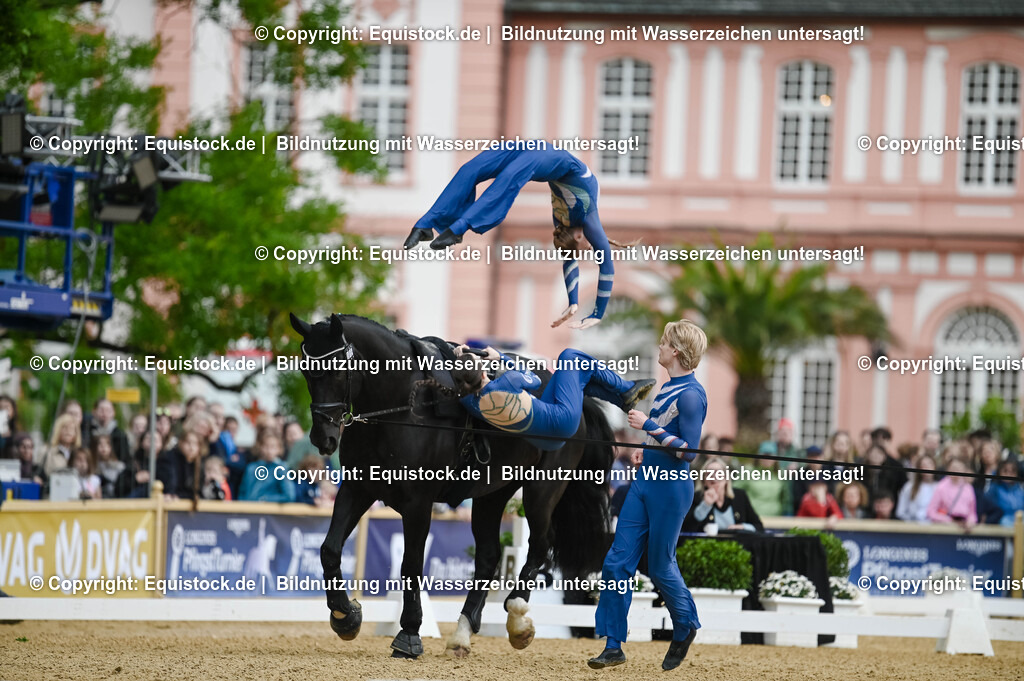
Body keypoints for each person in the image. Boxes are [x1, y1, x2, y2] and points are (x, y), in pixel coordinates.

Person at [589, 320, 707, 671]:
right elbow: (664, 436)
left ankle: (685, 624)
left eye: (665, 342)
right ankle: (613, 645)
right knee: (616, 562)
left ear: (677, 351)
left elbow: (689, 452)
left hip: (671, 487)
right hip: (645, 481)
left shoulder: (691, 394)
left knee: (660, 566)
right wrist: (646, 446)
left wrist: (649, 427)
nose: (660, 346)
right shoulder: (668, 387)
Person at [405, 147, 634, 329]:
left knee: (471, 169)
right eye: (588, 248)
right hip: (542, 156)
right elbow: (606, 265)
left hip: (533, 150)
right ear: (580, 235)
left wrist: (573, 302)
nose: (591, 246)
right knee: (503, 178)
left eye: (586, 249)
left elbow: (569, 259)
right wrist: (597, 314)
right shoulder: (589, 219)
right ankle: (456, 227)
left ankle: (425, 224)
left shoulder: (562, 221)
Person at [452, 347, 654, 450]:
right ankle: (626, 388)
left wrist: (460, 361)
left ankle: (622, 400)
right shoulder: (508, 381)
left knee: (575, 380)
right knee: (570, 356)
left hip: (544, 442)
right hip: (562, 423)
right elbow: (535, 380)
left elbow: (464, 384)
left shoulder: (470, 403)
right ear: (483, 372)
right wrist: (500, 357)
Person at [682, 457, 763, 533]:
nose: (714, 476)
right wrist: (705, 505)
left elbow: (759, 527)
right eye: (709, 473)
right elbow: (686, 529)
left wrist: (742, 527)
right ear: (704, 481)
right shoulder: (696, 498)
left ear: (726, 478)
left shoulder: (740, 496)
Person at [734, 441, 791, 517]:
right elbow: (735, 491)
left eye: (770, 455)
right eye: (764, 455)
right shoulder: (747, 471)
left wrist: (787, 513)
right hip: (752, 517)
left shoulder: (781, 474)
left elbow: (786, 498)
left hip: (775, 518)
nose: (767, 459)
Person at [239, 431, 295, 503]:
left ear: (279, 449)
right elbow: (242, 492)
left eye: (273, 447)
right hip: (247, 508)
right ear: (260, 447)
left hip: (267, 508)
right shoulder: (251, 468)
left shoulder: (281, 469)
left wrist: (265, 499)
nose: (269, 451)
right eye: (266, 446)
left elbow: (289, 496)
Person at [927, 458, 977, 530]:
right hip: (946, 528)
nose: (956, 471)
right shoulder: (941, 487)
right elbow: (931, 512)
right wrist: (947, 520)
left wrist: (970, 522)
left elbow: (972, 513)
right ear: (948, 469)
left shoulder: (968, 488)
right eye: (954, 468)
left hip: (964, 528)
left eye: (959, 468)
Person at [86, 399, 131, 465]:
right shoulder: (87, 432)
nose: (105, 413)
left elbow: (125, 460)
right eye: (101, 410)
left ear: (113, 413)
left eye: (108, 410)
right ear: (94, 412)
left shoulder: (120, 435)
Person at [896, 454, 938, 523]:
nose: (927, 467)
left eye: (930, 464)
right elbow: (901, 511)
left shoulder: (939, 487)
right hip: (913, 525)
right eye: (923, 465)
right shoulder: (909, 487)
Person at [983, 459, 1024, 527]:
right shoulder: (994, 488)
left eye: (1013, 471)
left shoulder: (1020, 489)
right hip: (1003, 520)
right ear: (999, 472)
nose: (1009, 474)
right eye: (1005, 471)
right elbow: (988, 506)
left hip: (1020, 518)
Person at [42, 413, 81, 479]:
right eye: (65, 427)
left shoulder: (79, 454)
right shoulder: (47, 451)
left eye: (72, 428)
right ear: (57, 429)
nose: (68, 431)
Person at [92, 434, 125, 499]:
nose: (103, 447)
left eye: (106, 444)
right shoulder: (92, 466)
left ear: (110, 447)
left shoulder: (119, 466)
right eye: (100, 444)